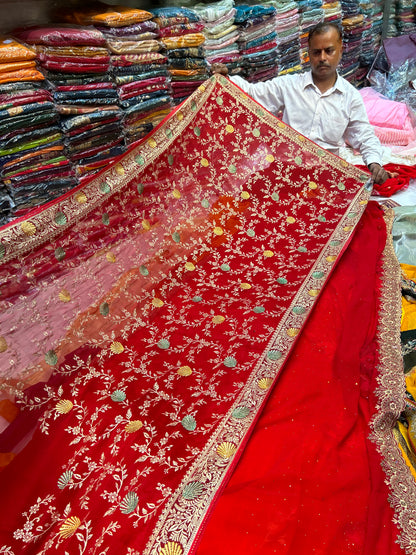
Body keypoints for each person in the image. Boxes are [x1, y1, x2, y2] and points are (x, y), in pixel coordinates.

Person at [212, 22, 390, 185]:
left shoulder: (350, 97)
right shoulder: (289, 85)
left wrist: (374, 164)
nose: (322, 58)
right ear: (308, 54)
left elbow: (364, 136)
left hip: (325, 176)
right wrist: (226, 78)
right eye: (316, 52)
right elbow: (252, 93)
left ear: (341, 50)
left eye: (329, 51)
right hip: (286, 172)